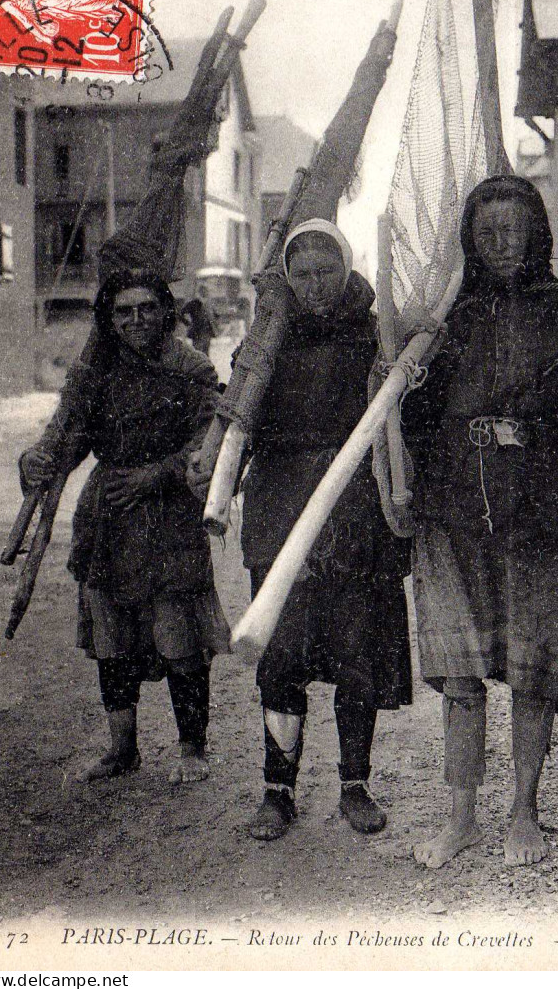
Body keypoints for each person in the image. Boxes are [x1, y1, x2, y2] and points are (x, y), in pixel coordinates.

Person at [401, 175, 558, 868]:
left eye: (513, 229)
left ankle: (523, 813)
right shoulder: (446, 326)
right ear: (470, 240)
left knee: (531, 674)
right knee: (461, 675)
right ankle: (459, 818)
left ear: (536, 234)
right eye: (486, 231)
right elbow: (413, 424)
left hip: (541, 514)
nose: (500, 244)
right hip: (453, 513)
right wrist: (403, 370)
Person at [232, 219, 412, 840]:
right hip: (281, 507)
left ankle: (355, 786)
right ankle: (277, 791)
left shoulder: (374, 330)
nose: (314, 285)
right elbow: (238, 426)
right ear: (287, 277)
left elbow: (398, 421)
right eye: (301, 274)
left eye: (326, 271)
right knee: (281, 656)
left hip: (356, 506)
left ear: (346, 267)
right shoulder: (267, 340)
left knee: (357, 653)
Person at [20, 268, 229, 784]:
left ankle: (191, 748)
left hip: (169, 516)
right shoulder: (98, 373)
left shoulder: (191, 370)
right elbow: (72, 441)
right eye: (122, 311)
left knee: (178, 634)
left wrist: (154, 475)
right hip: (108, 518)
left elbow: (208, 448)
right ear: (109, 319)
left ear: (165, 311)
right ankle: (122, 749)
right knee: (109, 636)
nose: (135, 320)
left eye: (145, 308)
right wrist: (37, 461)